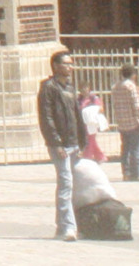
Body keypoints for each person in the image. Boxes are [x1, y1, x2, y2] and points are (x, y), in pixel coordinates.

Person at [38, 48, 86, 242]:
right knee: (66, 183)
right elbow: (46, 117)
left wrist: (82, 142)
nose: (70, 67)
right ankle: (68, 227)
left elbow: (77, 115)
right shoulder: (49, 88)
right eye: (66, 64)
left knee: (72, 185)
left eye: (71, 63)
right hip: (60, 144)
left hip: (74, 142)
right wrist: (55, 142)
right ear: (56, 66)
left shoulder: (70, 88)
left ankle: (62, 225)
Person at [107, 66, 139, 182]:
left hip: (122, 122)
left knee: (125, 149)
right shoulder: (131, 86)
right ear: (133, 74)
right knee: (136, 148)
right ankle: (135, 174)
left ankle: (126, 172)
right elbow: (137, 105)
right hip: (133, 122)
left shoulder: (115, 87)